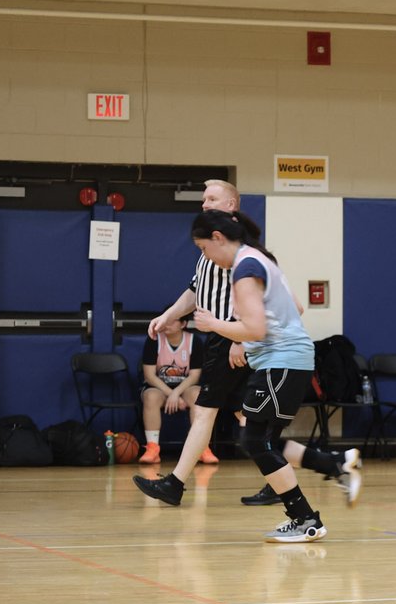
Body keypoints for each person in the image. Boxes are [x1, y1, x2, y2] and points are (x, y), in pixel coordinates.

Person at [132, 180, 356, 508]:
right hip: (227, 338)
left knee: (208, 414)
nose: (205, 203)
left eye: (213, 198)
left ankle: (175, 484)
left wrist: (242, 339)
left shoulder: (243, 250)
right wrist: (169, 315)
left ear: (232, 205)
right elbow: (197, 291)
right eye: (203, 198)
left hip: (235, 342)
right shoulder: (212, 247)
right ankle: (319, 466)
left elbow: (285, 304)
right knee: (250, 428)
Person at [182, 209, 356, 542]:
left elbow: (256, 328)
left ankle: (307, 518)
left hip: (283, 360)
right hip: (283, 360)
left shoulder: (246, 268)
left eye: (204, 248)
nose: (204, 256)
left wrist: (213, 325)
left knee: (255, 441)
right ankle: (334, 466)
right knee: (264, 440)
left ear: (218, 238)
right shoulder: (254, 260)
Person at [138, 310, 204, 464]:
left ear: (183, 324)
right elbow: (149, 375)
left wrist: (177, 393)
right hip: (159, 387)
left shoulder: (195, 341)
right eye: (165, 320)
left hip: (185, 388)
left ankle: (201, 448)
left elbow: (195, 376)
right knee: (151, 396)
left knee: (198, 395)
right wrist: (171, 394)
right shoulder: (154, 340)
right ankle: (153, 448)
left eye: (172, 320)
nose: (166, 324)